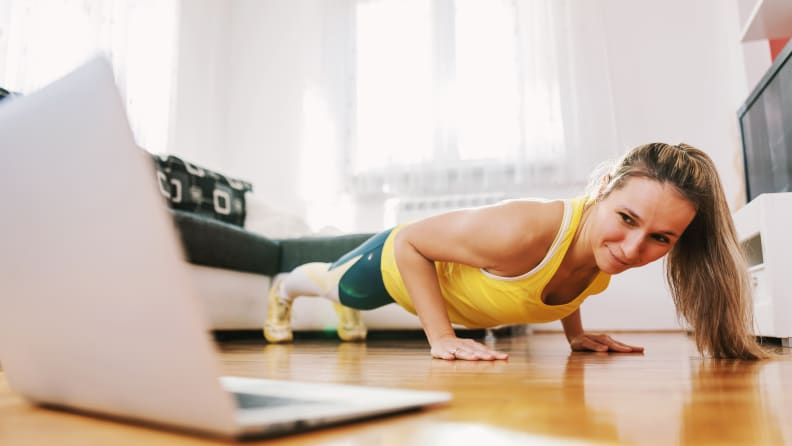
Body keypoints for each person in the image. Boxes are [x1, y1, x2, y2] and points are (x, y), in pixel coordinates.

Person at [264, 142, 770, 361]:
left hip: (422, 269)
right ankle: (283, 286)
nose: (634, 248)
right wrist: (441, 339)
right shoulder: (522, 230)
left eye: (662, 239)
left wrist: (576, 334)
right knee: (340, 290)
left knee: (345, 306)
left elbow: (567, 283)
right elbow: (414, 240)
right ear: (601, 190)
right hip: (395, 265)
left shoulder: (601, 252)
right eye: (627, 219)